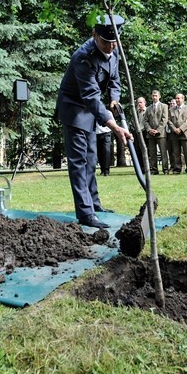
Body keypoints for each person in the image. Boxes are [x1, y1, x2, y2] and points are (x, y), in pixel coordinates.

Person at [56, 14, 132, 229]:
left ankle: (95, 204)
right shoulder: (83, 57)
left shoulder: (114, 50)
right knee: (79, 161)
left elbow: (115, 79)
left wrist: (115, 99)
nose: (110, 47)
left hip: (92, 109)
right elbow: (90, 95)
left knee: (91, 159)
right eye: (106, 42)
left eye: (114, 42)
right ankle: (85, 213)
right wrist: (114, 125)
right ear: (94, 35)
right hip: (74, 109)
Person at [144, 89, 169, 175]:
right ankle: (154, 170)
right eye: (153, 96)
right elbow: (145, 121)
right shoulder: (148, 108)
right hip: (150, 134)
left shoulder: (164, 106)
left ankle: (165, 169)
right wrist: (149, 130)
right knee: (152, 153)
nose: (154, 97)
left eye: (156, 96)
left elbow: (164, 119)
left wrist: (158, 130)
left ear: (159, 96)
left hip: (161, 134)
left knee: (163, 152)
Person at [168, 93, 187, 173]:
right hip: (174, 134)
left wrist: (181, 129)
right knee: (176, 153)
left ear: (183, 99)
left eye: (179, 98)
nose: (177, 100)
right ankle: (177, 169)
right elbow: (169, 121)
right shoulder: (171, 110)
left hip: (185, 134)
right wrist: (174, 129)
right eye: (176, 98)